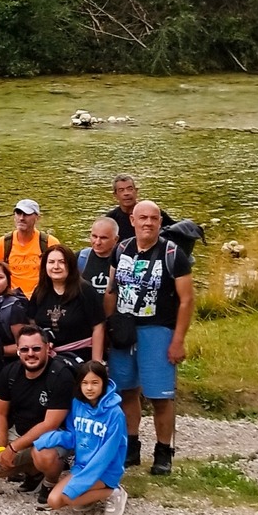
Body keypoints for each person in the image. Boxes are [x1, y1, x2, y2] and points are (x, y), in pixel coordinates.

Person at [104, 200, 194, 476]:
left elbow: (187, 300)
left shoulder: (173, 254)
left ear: (160, 222)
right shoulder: (121, 249)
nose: (148, 223)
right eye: (142, 218)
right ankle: (132, 446)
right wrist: (107, 327)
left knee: (160, 396)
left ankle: (163, 451)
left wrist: (178, 340)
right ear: (132, 220)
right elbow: (111, 290)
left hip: (157, 330)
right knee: (127, 391)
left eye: (154, 218)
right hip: (124, 330)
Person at [0, 326, 77, 503]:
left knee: (43, 455)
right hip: (20, 431)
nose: (31, 354)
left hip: (55, 435)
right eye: (24, 349)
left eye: (36, 348)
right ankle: (33, 471)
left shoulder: (61, 375)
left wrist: (13, 449)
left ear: (47, 348)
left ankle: (50, 482)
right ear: (18, 350)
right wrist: (1, 449)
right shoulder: (10, 373)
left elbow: (49, 424)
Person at [34, 360, 130, 515]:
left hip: (105, 470)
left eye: (95, 383)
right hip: (82, 466)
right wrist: (49, 439)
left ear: (104, 383)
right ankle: (89, 494)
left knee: (69, 496)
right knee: (54, 501)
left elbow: (107, 454)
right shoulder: (77, 404)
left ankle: (113, 492)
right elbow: (73, 435)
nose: (89, 388)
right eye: (85, 383)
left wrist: (84, 480)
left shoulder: (115, 414)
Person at [33, 245, 105, 365]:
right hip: (47, 356)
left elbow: (98, 327)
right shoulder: (40, 291)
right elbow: (32, 321)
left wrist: (96, 362)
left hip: (79, 355)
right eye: (51, 262)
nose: (56, 267)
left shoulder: (85, 290)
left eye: (62, 262)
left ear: (70, 265)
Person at [0, 199, 58, 297]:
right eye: (18, 213)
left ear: (37, 218)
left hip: (40, 297)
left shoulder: (50, 243)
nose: (21, 218)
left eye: (27, 214)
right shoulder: (3, 243)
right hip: (11, 299)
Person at [106, 174, 172, 243]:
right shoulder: (111, 219)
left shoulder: (152, 212)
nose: (126, 193)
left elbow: (175, 230)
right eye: (121, 190)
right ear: (115, 195)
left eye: (130, 189)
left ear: (136, 191)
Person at [78, 217, 120, 297]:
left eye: (103, 238)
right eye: (94, 236)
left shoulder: (123, 261)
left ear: (116, 239)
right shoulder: (80, 258)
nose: (97, 242)